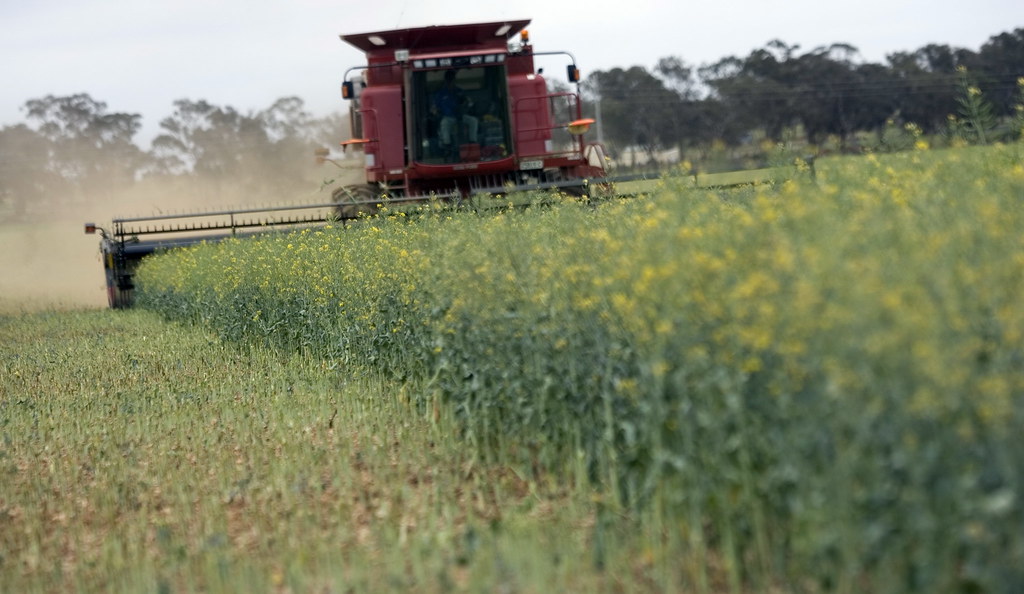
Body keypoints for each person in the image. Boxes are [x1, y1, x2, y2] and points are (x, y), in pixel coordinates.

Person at [432, 70, 478, 149]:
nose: (450, 81)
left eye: (452, 79)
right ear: (446, 80)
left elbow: (468, 102)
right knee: (444, 124)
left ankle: (472, 141)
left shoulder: (459, 91)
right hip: (448, 117)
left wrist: (466, 103)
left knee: (473, 120)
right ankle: (447, 144)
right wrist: (435, 112)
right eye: (449, 79)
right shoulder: (441, 94)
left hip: (461, 115)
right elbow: (434, 107)